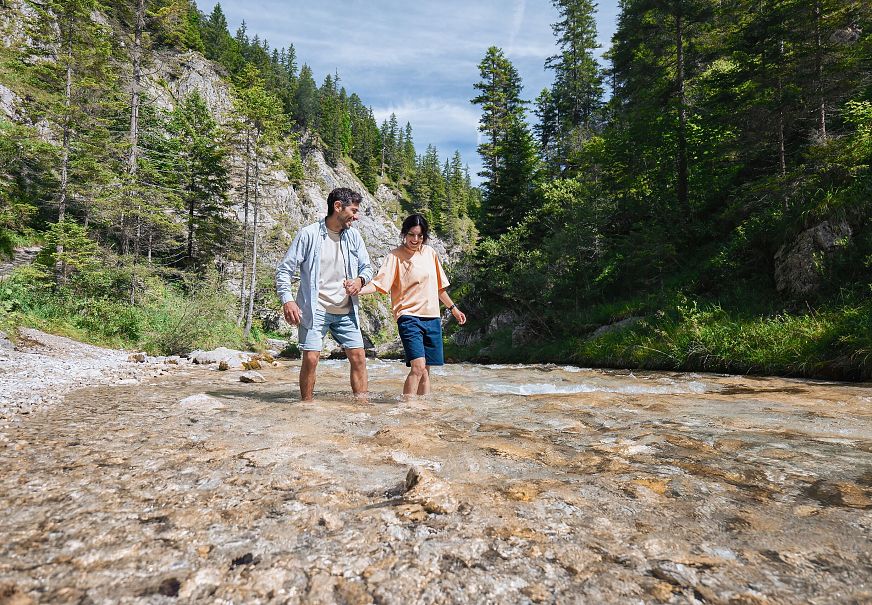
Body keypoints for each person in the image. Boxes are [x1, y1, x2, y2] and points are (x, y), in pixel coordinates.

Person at [275, 187, 373, 401]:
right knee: (311, 359)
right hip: (316, 308)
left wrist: (359, 281)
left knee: (359, 358)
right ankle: (307, 406)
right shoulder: (308, 234)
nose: (356, 217)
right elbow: (284, 270)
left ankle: (362, 407)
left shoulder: (354, 237)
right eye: (353, 211)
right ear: (338, 207)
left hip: (347, 310)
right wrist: (288, 300)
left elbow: (367, 268)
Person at [356, 214, 466, 397]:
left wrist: (454, 309)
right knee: (418, 366)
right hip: (408, 317)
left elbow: (439, 288)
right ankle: (407, 407)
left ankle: (422, 412)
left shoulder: (430, 254)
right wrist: (357, 289)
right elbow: (379, 283)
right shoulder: (395, 256)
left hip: (432, 317)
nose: (415, 239)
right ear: (404, 234)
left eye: (420, 236)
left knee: (426, 371)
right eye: (411, 234)